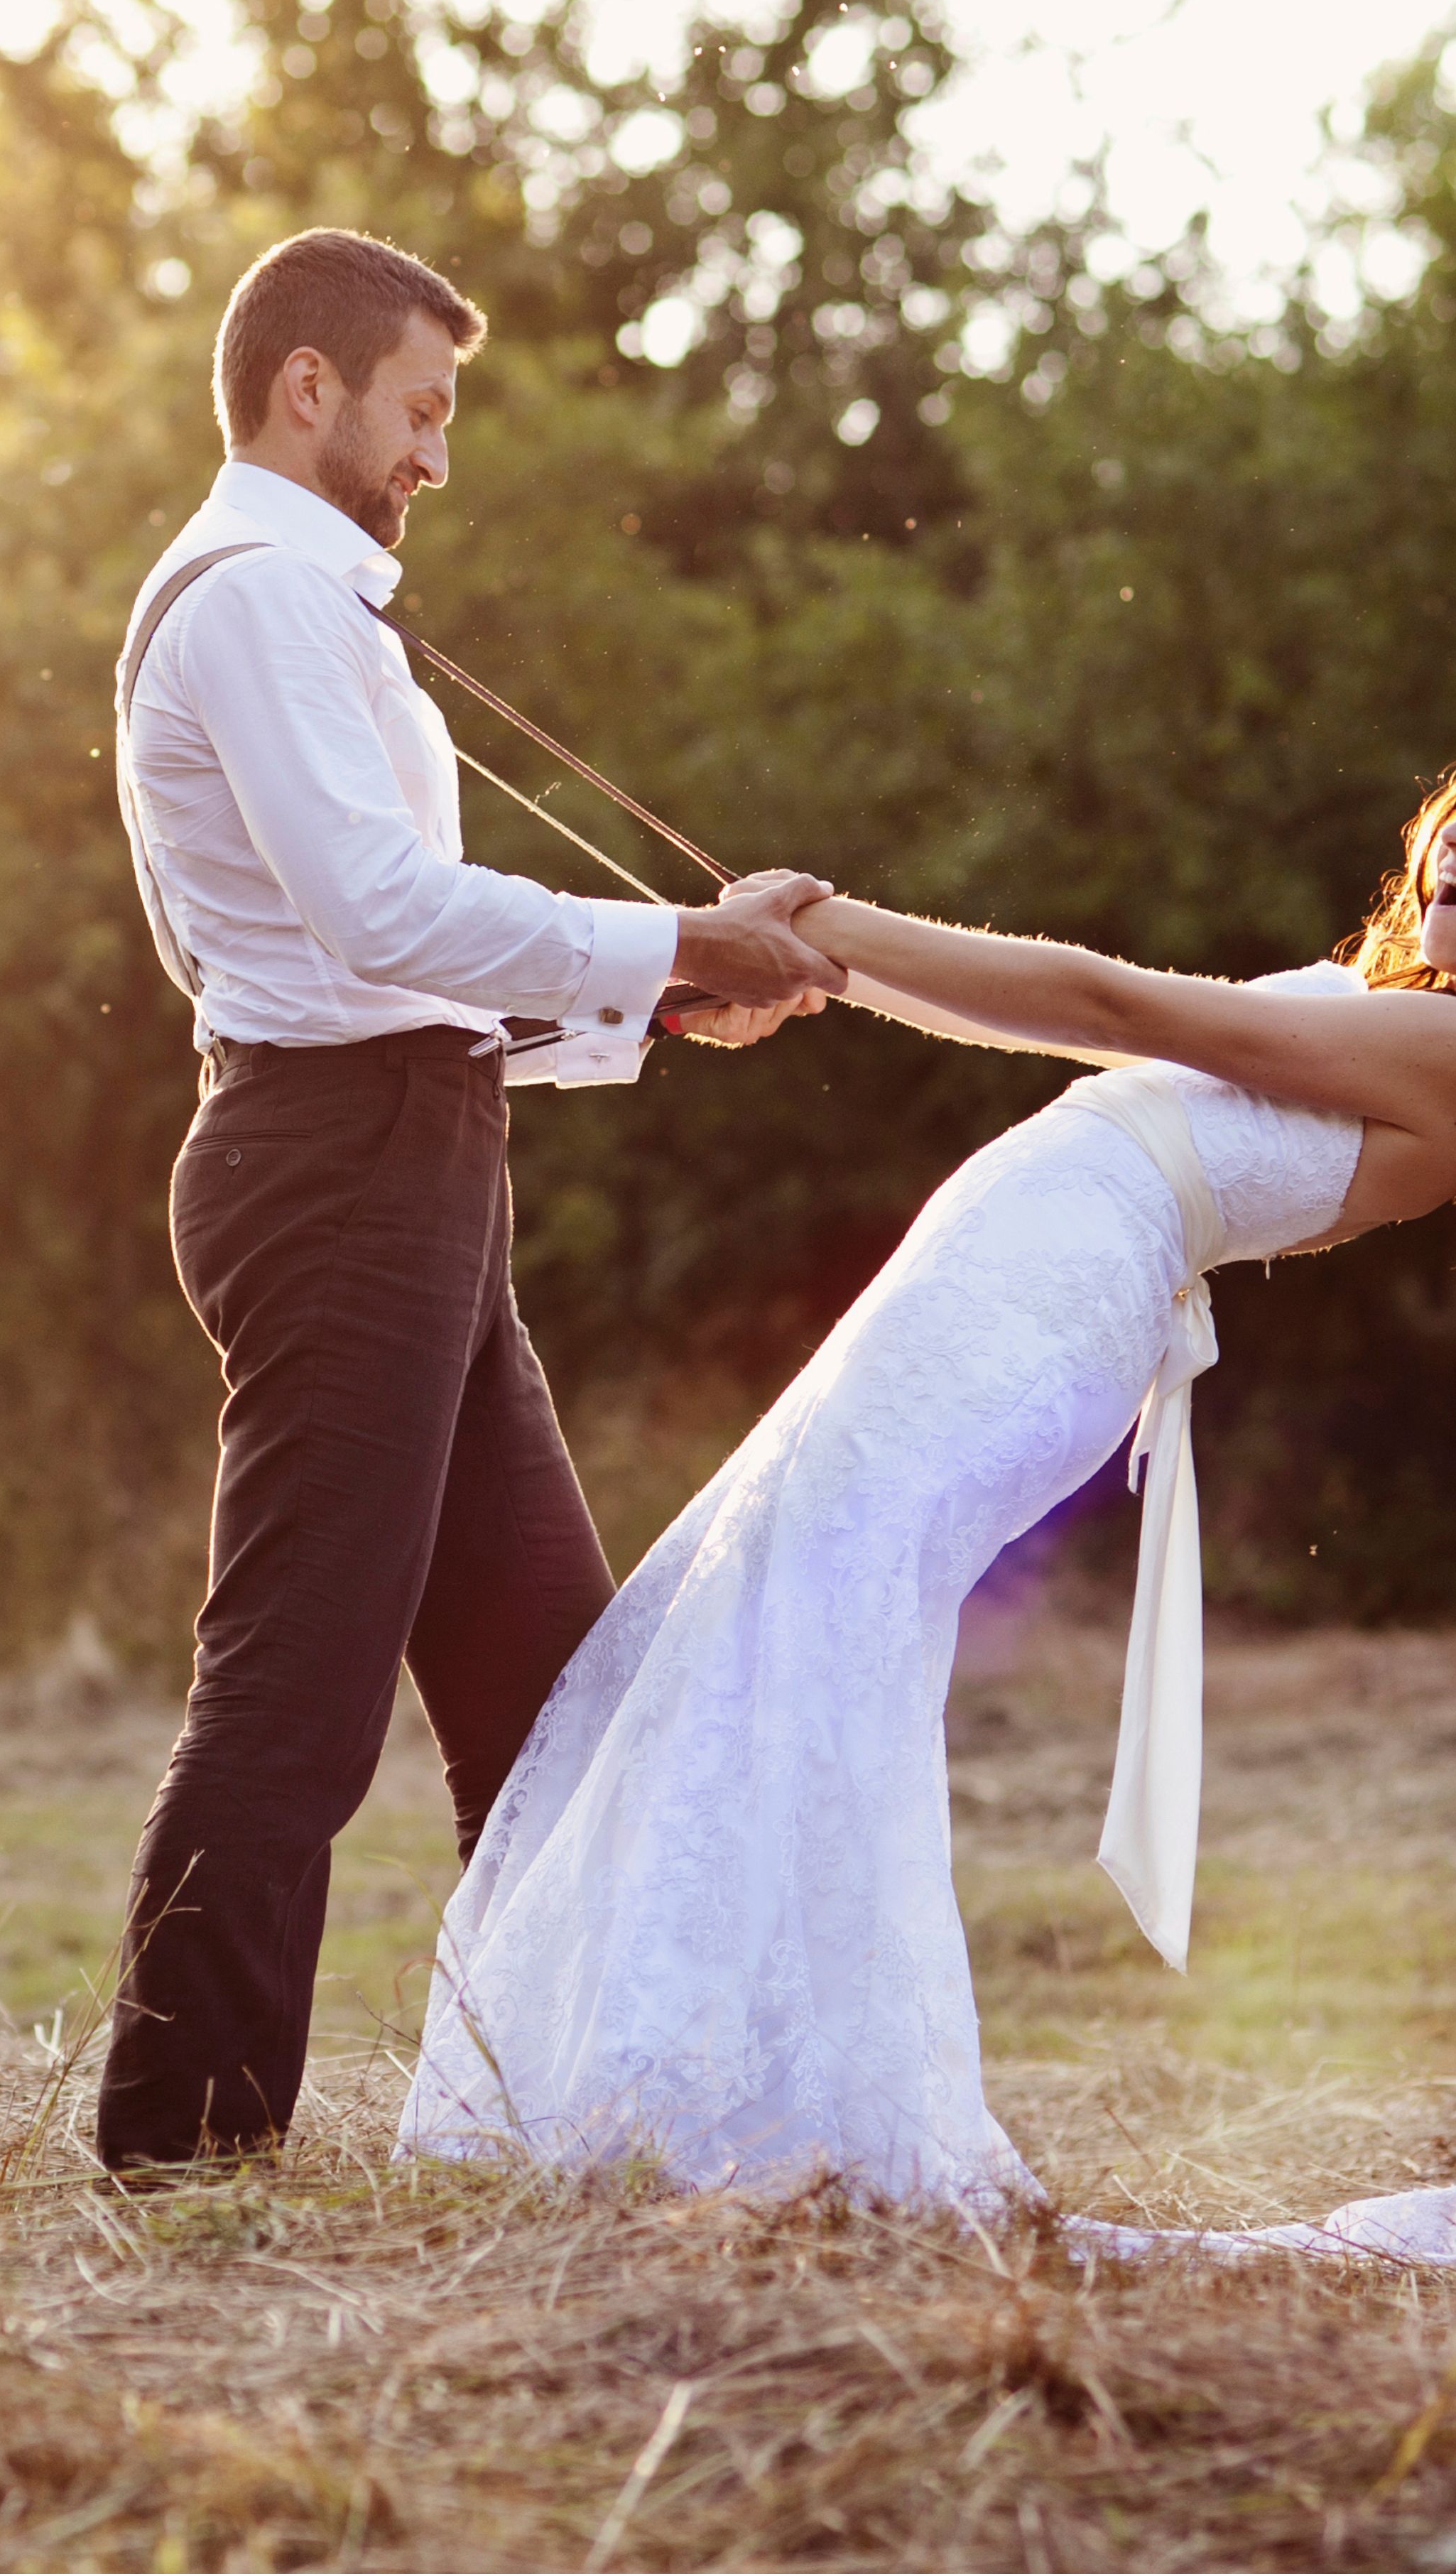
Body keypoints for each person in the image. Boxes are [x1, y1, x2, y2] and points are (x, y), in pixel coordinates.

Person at [403, 774, 1456, 2217]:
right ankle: (690, 2080)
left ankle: (788, 2115)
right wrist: (823, 959)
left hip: (1053, 1288)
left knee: (813, 1612)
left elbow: (1111, 1006)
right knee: (778, 1597)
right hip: (1016, 1260)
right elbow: (1050, 1020)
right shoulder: (1368, 1001)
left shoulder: (1446, 1041)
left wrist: (822, 915)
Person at [95, 226, 847, 2178]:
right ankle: (179, 2159)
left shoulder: (314, 603)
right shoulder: (258, 596)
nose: (437, 453)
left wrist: (661, 998)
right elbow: (373, 918)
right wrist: (665, 934)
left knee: (548, 1681)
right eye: (421, 407)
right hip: (332, 1175)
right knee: (298, 1688)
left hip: (405, 1163)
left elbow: (399, 981)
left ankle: (569, 2116)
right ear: (307, 388)